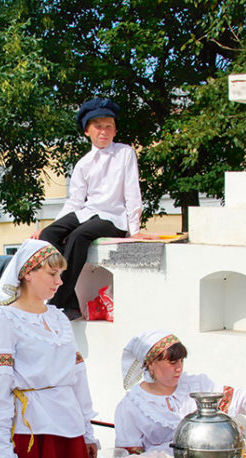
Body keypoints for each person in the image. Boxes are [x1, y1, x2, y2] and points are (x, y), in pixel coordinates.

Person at [0, 239, 99, 458]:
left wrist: (87, 430)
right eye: (52, 274)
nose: (59, 282)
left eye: (60, 275)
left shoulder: (58, 318)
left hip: (68, 428)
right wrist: (2, 447)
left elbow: (77, 378)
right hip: (32, 432)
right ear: (27, 273)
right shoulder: (5, 320)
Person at [32, 97, 147, 320]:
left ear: (115, 131)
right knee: (48, 235)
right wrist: (54, 224)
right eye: (98, 127)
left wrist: (134, 230)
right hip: (88, 212)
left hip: (113, 218)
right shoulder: (83, 163)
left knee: (78, 237)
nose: (103, 132)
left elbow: (133, 192)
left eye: (108, 127)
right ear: (87, 131)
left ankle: (56, 302)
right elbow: (74, 201)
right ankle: (71, 301)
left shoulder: (125, 153)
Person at [114, 330, 246, 455]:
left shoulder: (196, 385)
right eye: (172, 363)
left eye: (181, 362)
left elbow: (237, 398)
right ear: (151, 364)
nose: (179, 368)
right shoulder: (132, 407)